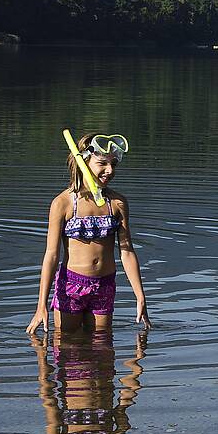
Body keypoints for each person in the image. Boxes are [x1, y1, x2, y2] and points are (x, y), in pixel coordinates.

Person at [27, 132, 150, 336]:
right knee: (66, 346)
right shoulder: (63, 203)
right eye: (102, 163)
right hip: (71, 286)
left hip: (105, 285)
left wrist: (140, 296)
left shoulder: (117, 204)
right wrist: (41, 305)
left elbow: (127, 251)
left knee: (103, 349)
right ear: (83, 161)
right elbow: (51, 255)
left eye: (113, 164)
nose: (109, 170)